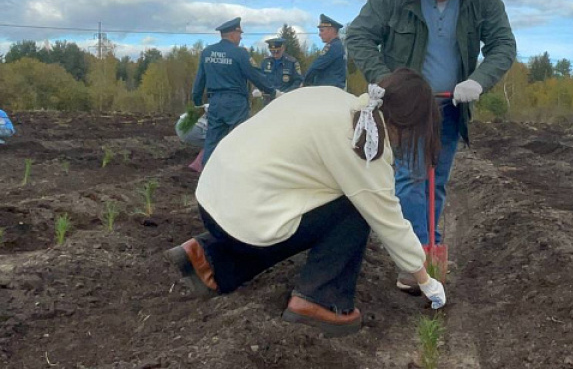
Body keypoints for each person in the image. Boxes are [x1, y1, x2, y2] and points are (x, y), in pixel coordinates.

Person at [165, 68, 447, 338]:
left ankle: (209, 258)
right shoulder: (363, 140)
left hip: (214, 196)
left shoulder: (333, 97)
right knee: (356, 209)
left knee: (301, 209)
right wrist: (424, 278)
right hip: (246, 215)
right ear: (406, 125)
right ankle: (321, 300)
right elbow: (388, 220)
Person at [345, 0, 517, 293]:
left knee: (436, 182)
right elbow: (359, 35)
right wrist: (383, 79)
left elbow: (503, 44)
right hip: (406, 107)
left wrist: (479, 81)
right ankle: (414, 262)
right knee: (410, 178)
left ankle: (429, 250)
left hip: (450, 106)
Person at [191, 17, 275, 165]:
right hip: (236, 103)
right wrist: (272, 91)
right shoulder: (239, 53)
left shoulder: (207, 53)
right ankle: (238, 172)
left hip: (215, 102)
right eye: (239, 34)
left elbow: (199, 80)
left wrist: (198, 102)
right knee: (240, 139)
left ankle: (208, 173)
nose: (240, 37)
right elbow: (254, 75)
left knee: (212, 141)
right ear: (232, 34)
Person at [251, 37, 302, 104]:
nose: (275, 54)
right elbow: (260, 78)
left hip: (286, 99)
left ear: (283, 48)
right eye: (272, 51)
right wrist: (256, 89)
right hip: (268, 100)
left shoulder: (292, 62)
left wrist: (286, 93)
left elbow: (298, 81)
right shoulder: (265, 62)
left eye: (277, 51)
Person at [302, 14, 347, 89]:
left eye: (322, 30)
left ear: (331, 30)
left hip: (327, 90)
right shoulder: (339, 46)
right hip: (336, 88)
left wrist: (305, 84)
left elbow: (315, 67)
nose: (320, 34)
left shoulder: (333, 47)